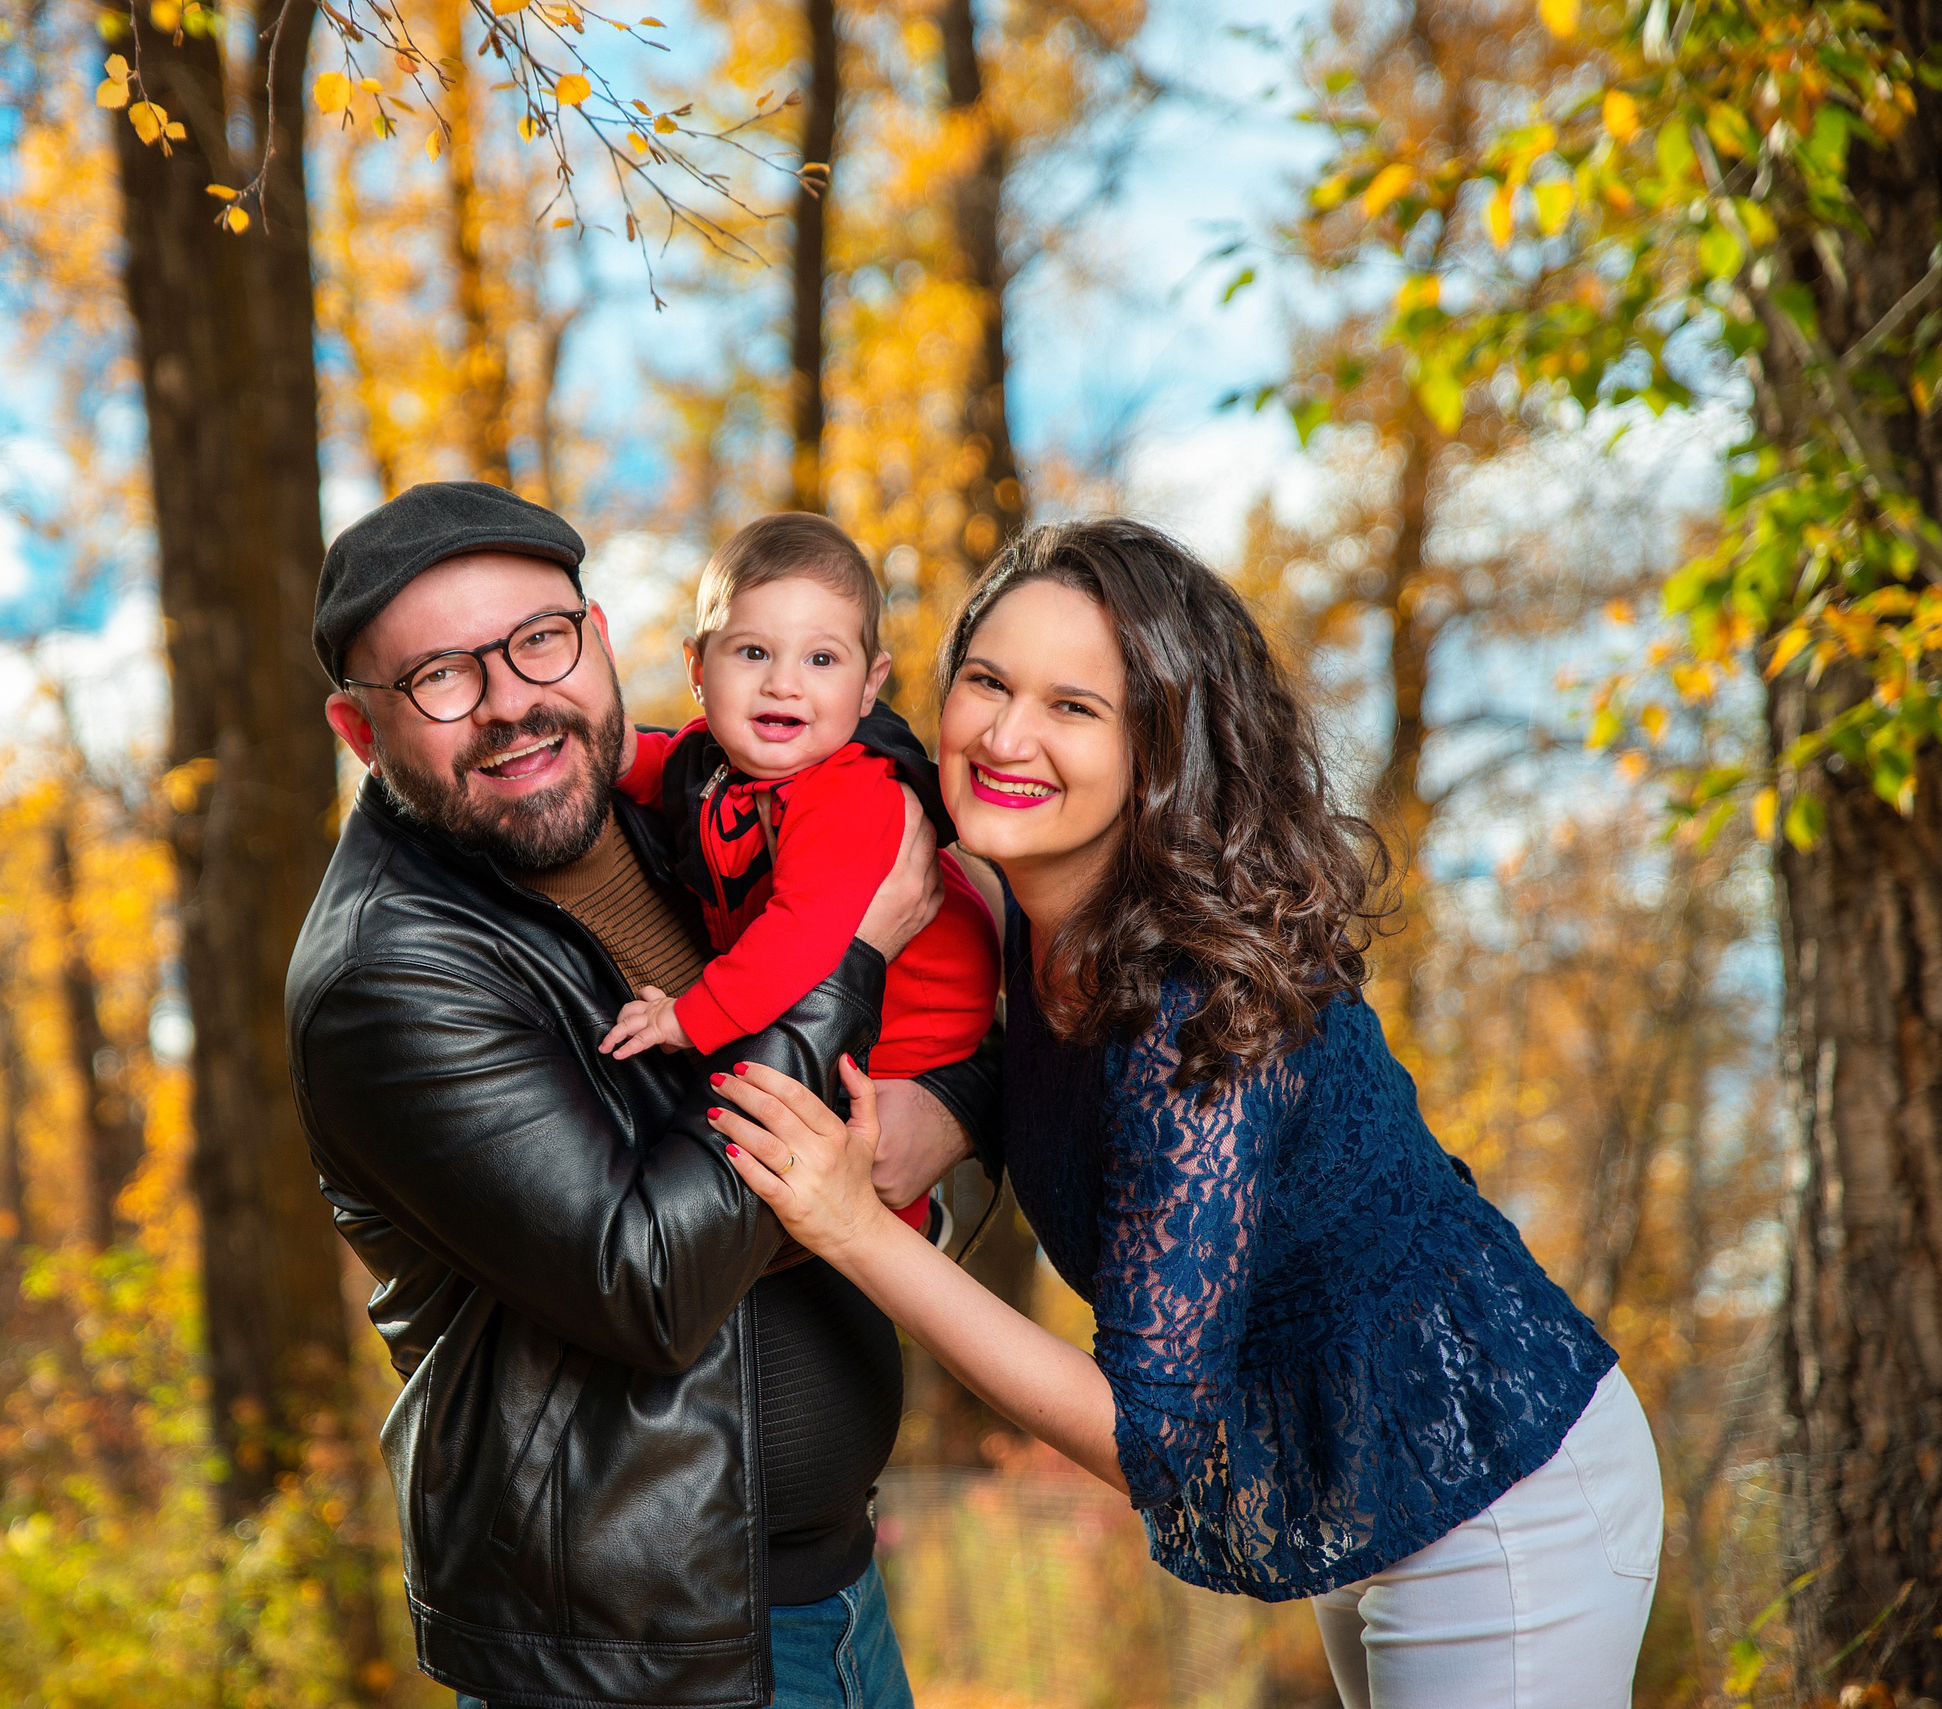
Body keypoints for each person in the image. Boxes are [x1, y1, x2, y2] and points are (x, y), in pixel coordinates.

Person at [703, 518, 1664, 1709]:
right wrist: (949, 1108)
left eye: (1073, 706)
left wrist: (856, 1227)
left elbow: (1148, 1439)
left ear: (1157, 748)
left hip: (1502, 1485)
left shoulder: (1191, 999)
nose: (1006, 735)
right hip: (1361, 1476)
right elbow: (1059, 1087)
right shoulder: (1030, 901)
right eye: (987, 682)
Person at [287, 480, 997, 1709]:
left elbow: (914, 1071)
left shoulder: (685, 802)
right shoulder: (388, 973)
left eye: (539, 640)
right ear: (360, 730)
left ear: (599, 637)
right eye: (441, 677)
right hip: (640, 1659)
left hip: (833, 1597)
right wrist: (851, 961)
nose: (512, 701)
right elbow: (649, 1276)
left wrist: (952, 1115)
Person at [598, 514, 1001, 1237]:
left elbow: (800, 939)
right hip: (848, 989)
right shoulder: (716, 755)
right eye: (754, 652)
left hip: (918, 1011)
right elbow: (669, 772)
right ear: (698, 669)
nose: (784, 683)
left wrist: (685, 1017)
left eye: (821, 659)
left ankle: (908, 1224)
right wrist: (618, 755)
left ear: (869, 685)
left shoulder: (849, 792)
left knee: (849, 1130)